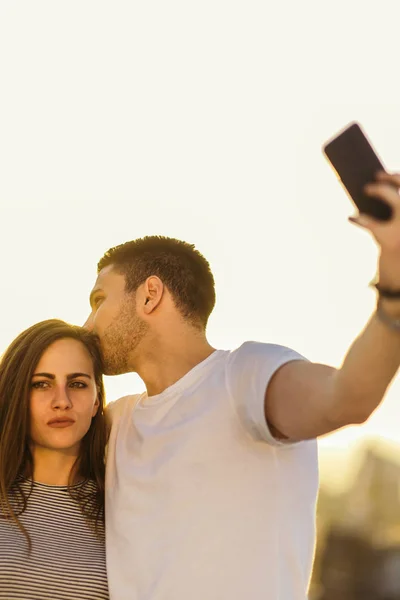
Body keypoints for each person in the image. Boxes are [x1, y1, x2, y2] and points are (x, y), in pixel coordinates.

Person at [85, 171, 400, 600]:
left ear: (149, 295)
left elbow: (347, 398)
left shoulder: (245, 377)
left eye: (100, 300)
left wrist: (395, 284)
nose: (87, 324)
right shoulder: (113, 422)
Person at [0, 320, 109, 600]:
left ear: (96, 401)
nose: (62, 401)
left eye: (77, 383)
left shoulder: (121, 508)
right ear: (16, 395)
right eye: (41, 384)